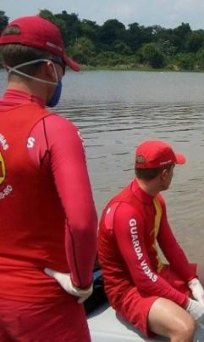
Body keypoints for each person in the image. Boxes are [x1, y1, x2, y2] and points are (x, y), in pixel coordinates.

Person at [0, 16, 98, 341]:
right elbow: (82, 223)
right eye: (63, 69)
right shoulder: (54, 130)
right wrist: (83, 282)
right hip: (41, 303)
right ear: (48, 68)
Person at [97, 140, 204, 341]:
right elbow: (142, 278)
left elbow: (170, 246)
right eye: (173, 169)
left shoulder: (155, 199)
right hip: (128, 289)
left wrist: (192, 280)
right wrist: (187, 304)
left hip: (155, 272)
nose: (173, 174)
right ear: (164, 174)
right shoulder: (126, 212)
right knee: (184, 328)